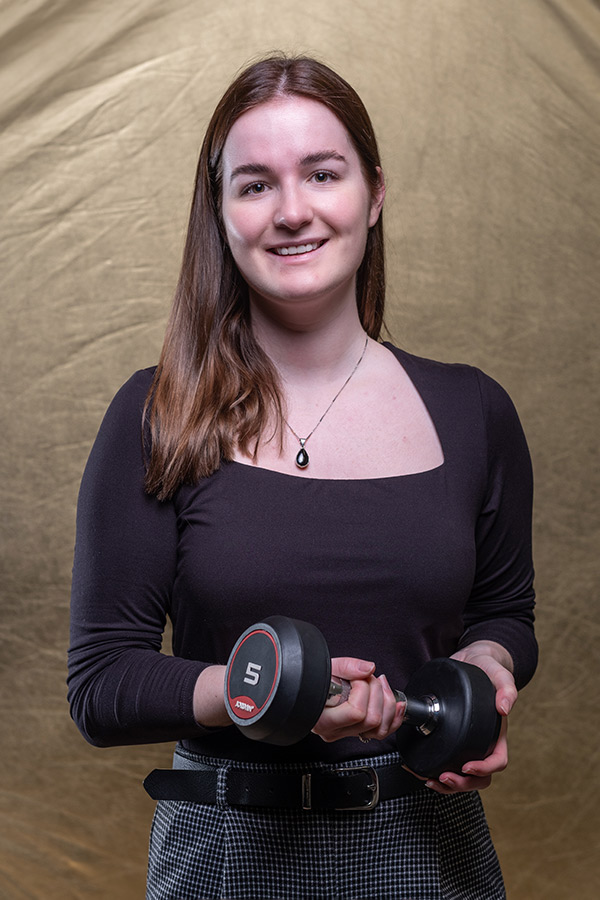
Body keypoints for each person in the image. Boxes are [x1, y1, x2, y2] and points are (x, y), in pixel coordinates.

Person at [68, 54, 537, 900]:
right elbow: (102, 684)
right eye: (254, 185)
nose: (292, 212)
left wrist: (487, 663)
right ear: (219, 212)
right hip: (225, 853)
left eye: (322, 174)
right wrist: (261, 696)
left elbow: (504, 613)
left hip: (432, 851)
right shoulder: (156, 414)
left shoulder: (474, 412)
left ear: (374, 193)